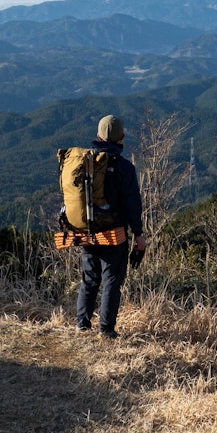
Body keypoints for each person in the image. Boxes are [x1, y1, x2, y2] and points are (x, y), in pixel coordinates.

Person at [76, 114, 146, 339]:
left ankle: (82, 325)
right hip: (114, 234)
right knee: (111, 281)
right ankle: (105, 330)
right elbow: (132, 203)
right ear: (122, 137)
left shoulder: (85, 163)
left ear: (98, 136)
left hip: (86, 230)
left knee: (89, 279)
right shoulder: (124, 167)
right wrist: (139, 234)